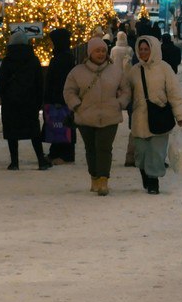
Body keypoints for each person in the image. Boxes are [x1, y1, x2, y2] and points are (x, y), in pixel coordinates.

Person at [63, 37, 130, 195]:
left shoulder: (115, 71)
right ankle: (94, 176)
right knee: (91, 149)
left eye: (103, 51)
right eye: (97, 51)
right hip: (86, 117)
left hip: (110, 116)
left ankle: (103, 180)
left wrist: (120, 103)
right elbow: (69, 91)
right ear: (90, 53)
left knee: (104, 148)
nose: (101, 54)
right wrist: (76, 105)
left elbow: (126, 89)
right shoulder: (77, 72)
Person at [127, 36, 182, 194]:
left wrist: (180, 116)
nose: (143, 52)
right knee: (140, 153)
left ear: (153, 49)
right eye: (140, 49)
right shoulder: (134, 71)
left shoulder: (164, 68)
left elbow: (174, 93)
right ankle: (145, 173)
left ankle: (153, 180)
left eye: (146, 49)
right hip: (140, 119)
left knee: (156, 152)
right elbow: (127, 93)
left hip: (160, 117)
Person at [0, 31, 51, 170]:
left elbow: (1, 82)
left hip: (11, 101)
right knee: (33, 131)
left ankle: (14, 162)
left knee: (12, 131)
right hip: (29, 101)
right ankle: (41, 160)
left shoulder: (8, 60)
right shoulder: (33, 60)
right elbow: (39, 83)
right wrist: (39, 101)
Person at [43, 28, 76, 165]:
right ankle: (58, 153)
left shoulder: (61, 58)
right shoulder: (64, 56)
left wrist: (54, 98)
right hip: (61, 98)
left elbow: (58, 81)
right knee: (61, 126)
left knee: (61, 126)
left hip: (60, 99)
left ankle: (63, 155)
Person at [110, 31, 135, 167]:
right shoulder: (129, 49)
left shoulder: (114, 49)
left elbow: (111, 60)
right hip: (126, 73)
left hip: (116, 73)